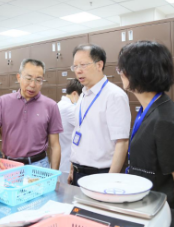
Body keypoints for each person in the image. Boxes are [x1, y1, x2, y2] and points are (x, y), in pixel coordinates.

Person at [117, 41, 174, 208]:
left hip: (162, 210)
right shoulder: (149, 110)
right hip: (146, 203)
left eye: (122, 69)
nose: (120, 73)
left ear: (137, 72)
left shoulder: (165, 119)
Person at [68, 44, 131, 186]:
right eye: (75, 66)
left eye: (83, 65)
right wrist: (72, 166)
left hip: (101, 175)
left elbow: (122, 142)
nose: (78, 71)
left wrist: (110, 181)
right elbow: (79, 132)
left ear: (99, 65)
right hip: (78, 172)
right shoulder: (83, 95)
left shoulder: (114, 96)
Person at [0, 59, 63, 171]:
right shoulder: (3, 102)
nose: (32, 84)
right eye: (28, 78)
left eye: (38, 80)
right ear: (18, 77)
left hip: (38, 165)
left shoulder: (51, 106)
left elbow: (55, 145)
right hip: (9, 165)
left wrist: (54, 174)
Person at [57, 79, 82, 175]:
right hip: (67, 162)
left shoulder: (59, 105)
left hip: (62, 159)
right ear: (75, 94)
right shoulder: (70, 109)